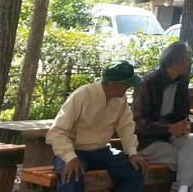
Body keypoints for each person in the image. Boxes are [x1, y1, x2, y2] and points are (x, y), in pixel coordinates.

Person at [46, 60, 148, 192]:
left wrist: (132, 153)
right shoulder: (82, 95)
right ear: (115, 85)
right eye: (127, 85)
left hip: (103, 152)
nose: (128, 89)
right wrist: (70, 157)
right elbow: (56, 132)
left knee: (135, 171)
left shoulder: (120, 99)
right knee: (72, 176)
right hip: (75, 151)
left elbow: (126, 127)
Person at [133, 41, 193, 192]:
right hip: (147, 143)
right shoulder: (148, 83)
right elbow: (139, 123)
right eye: (189, 58)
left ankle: (183, 189)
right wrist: (168, 128)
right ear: (176, 61)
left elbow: (183, 113)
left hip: (170, 140)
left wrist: (184, 125)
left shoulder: (181, 82)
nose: (191, 62)